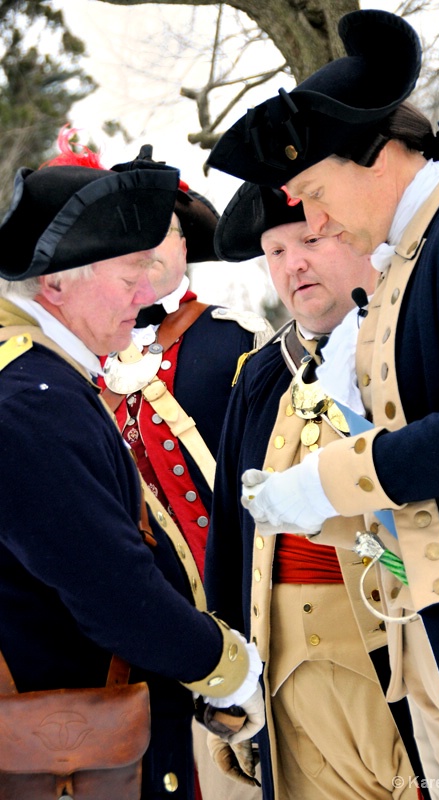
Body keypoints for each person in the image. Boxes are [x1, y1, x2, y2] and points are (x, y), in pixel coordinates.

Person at [205, 8, 439, 800]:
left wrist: (327, 480)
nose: (313, 222)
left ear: (377, 155)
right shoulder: (415, 256)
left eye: (314, 195)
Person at [0, 161, 265, 800]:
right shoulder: (33, 398)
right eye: (127, 277)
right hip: (70, 755)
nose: (143, 298)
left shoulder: (38, 382)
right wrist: (228, 668)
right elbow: (109, 588)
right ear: (57, 285)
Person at [205, 180, 426, 800]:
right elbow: (230, 539)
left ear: (355, 235)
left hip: (412, 673)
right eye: (274, 252)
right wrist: (228, 704)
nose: (292, 264)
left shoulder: (414, 345)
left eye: (310, 238)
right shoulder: (259, 376)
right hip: (287, 689)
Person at [102, 144, 272, 800]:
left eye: (158, 229)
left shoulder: (237, 340)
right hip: (117, 629)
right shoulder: (68, 358)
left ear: (185, 243)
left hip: (225, 622)